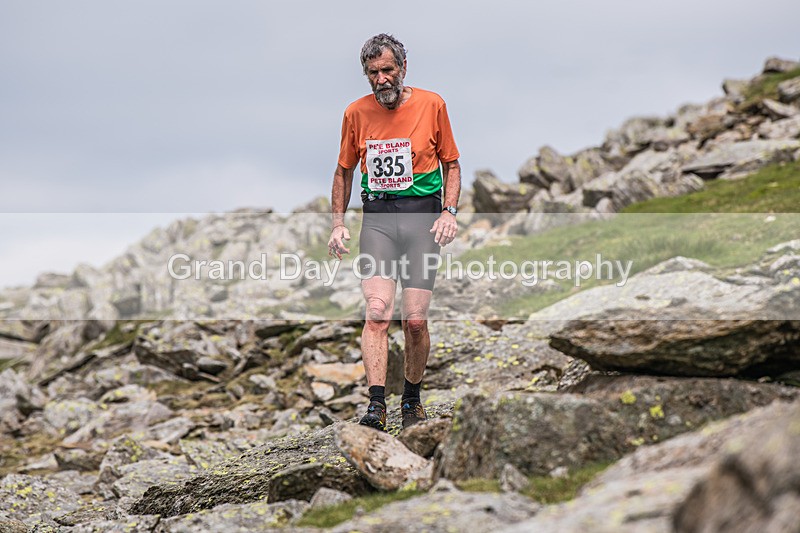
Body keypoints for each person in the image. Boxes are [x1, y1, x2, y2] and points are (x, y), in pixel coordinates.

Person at [328, 33, 461, 432]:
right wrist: (337, 223)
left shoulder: (432, 104)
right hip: (379, 220)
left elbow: (452, 164)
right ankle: (376, 405)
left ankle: (411, 400)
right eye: (373, 73)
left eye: (387, 70)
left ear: (403, 69)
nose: (381, 79)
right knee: (377, 313)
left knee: (415, 321)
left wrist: (449, 211)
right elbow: (343, 171)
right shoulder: (356, 113)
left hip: (422, 218)